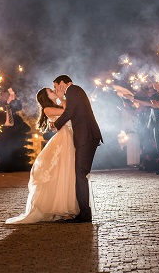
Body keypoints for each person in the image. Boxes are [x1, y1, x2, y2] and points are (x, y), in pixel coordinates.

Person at [6, 88, 78, 224]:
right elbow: (68, 112)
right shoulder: (47, 109)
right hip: (63, 139)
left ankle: (67, 207)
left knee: (67, 171)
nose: (54, 91)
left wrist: (60, 98)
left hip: (68, 137)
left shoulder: (56, 105)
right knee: (60, 171)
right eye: (51, 91)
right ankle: (62, 208)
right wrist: (61, 97)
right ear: (46, 96)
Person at [53, 75, 102, 223]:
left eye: (56, 86)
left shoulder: (73, 89)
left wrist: (55, 125)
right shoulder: (74, 91)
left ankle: (85, 214)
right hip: (87, 136)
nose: (56, 90)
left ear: (63, 83)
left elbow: (69, 112)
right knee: (81, 173)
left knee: (80, 173)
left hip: (86, 136)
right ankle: (84, 212)